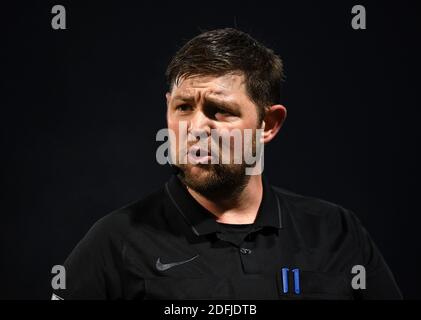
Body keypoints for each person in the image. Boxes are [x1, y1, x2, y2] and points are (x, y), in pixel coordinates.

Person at [52, 28, 402, 300]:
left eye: (220, 111)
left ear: (269, 124)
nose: (196, 128)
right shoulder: (115, 242)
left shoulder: (336, 232)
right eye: (183, 107)